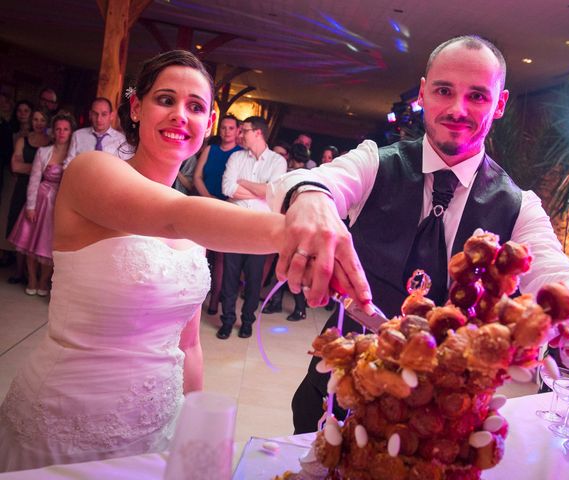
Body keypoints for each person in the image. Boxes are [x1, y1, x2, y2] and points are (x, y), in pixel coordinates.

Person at [0, 50, 355, 473]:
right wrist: (299, 230)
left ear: (208, 125)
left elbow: (188, 345)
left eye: (195, 107)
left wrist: (192, 430)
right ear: (136, 107)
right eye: (165, 100)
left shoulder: (195, 229)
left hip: (157, 428)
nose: (179, 116)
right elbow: (173, 216)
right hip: (67, 424)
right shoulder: (91, 172)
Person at [267, 35, 569, 434]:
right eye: (444, 90)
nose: (457, 109)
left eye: (477, 96)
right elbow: (308, 181)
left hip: (442, 418)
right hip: (339, 392)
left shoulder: (519, 205)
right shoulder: (374, 163)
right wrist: (310, 197)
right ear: (424, 93)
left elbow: (552, 267)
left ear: (499, 105)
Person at [217, 116, 287, 339]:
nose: (239, 134)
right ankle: (227, 320)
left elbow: (272, 193)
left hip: (260, 229)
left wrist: (243, 182)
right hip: (235, 226)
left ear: (258, 133)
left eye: (244, 130)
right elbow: (227, 188)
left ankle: (247, 321)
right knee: (229, 278)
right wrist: (260, 190)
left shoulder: (278, 162)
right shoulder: (237, 157)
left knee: (254, 279)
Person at [8, 111, 75, 296]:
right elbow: (35, 179)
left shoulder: (75, 154)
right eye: (58, 129)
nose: (61, 133)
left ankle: (44, 281)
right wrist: (30, 206)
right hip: (40, 200)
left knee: (48, 244)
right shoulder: (43, 152)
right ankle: (32, 279)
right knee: (31, 242)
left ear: (71, 132)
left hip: (59, 204)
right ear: (53, 132)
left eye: (66, 129)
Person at [193, 114, 242, 315]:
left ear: (238, 131)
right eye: (223, 127)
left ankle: (214, 301)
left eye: (231, 128)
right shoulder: (210, 149)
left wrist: (220, 203)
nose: (226, 131)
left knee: (221, 257)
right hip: (205, 204)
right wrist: (208, 198)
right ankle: (194, 299)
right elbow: (197, 176)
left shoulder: (241, 154)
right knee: (199, 252)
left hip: (227, 209)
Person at [263, 143, 311, 320]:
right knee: (285, 270)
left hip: (293, 228)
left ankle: (299, 309)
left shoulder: (293, 175)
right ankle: (283, 304)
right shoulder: (308, 174)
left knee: (289, 271)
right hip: (291, 227)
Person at [6, 109, 51, 285]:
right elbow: (14, 166)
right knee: (20, 229)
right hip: (23, 187)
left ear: (47, 122)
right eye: (35, 119)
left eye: (42, 120)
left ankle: (35, 275)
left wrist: (31, 168)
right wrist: (39, 168)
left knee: (37, 231)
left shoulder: (52, 142)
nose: (38, 123)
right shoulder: (22, 140)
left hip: (43, 190)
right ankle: (18, 272)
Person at [63, 97, 129, 168]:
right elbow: (68, 164)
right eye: (95, 114)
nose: (99, 119)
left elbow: (125, 168)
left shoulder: (122, 140)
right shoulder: (78, 135)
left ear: (112, 116)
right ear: (90, 114)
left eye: (104, 114)